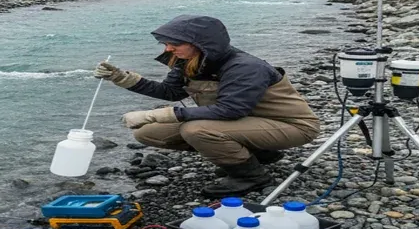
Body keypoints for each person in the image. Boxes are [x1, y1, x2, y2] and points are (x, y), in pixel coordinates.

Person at [95, 15, 321, 197]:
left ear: (200, 43)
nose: (167, 49)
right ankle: (258, 154)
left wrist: (159, 114)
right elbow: (171, 92)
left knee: (196, 130)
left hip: (290, 126)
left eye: (174, 44)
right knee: (147, 133)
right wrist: (123, 78)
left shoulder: (245, 67)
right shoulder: (190, 62)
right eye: (165, 43)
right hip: (244, 123)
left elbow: (230, 110)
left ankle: (251, 176)